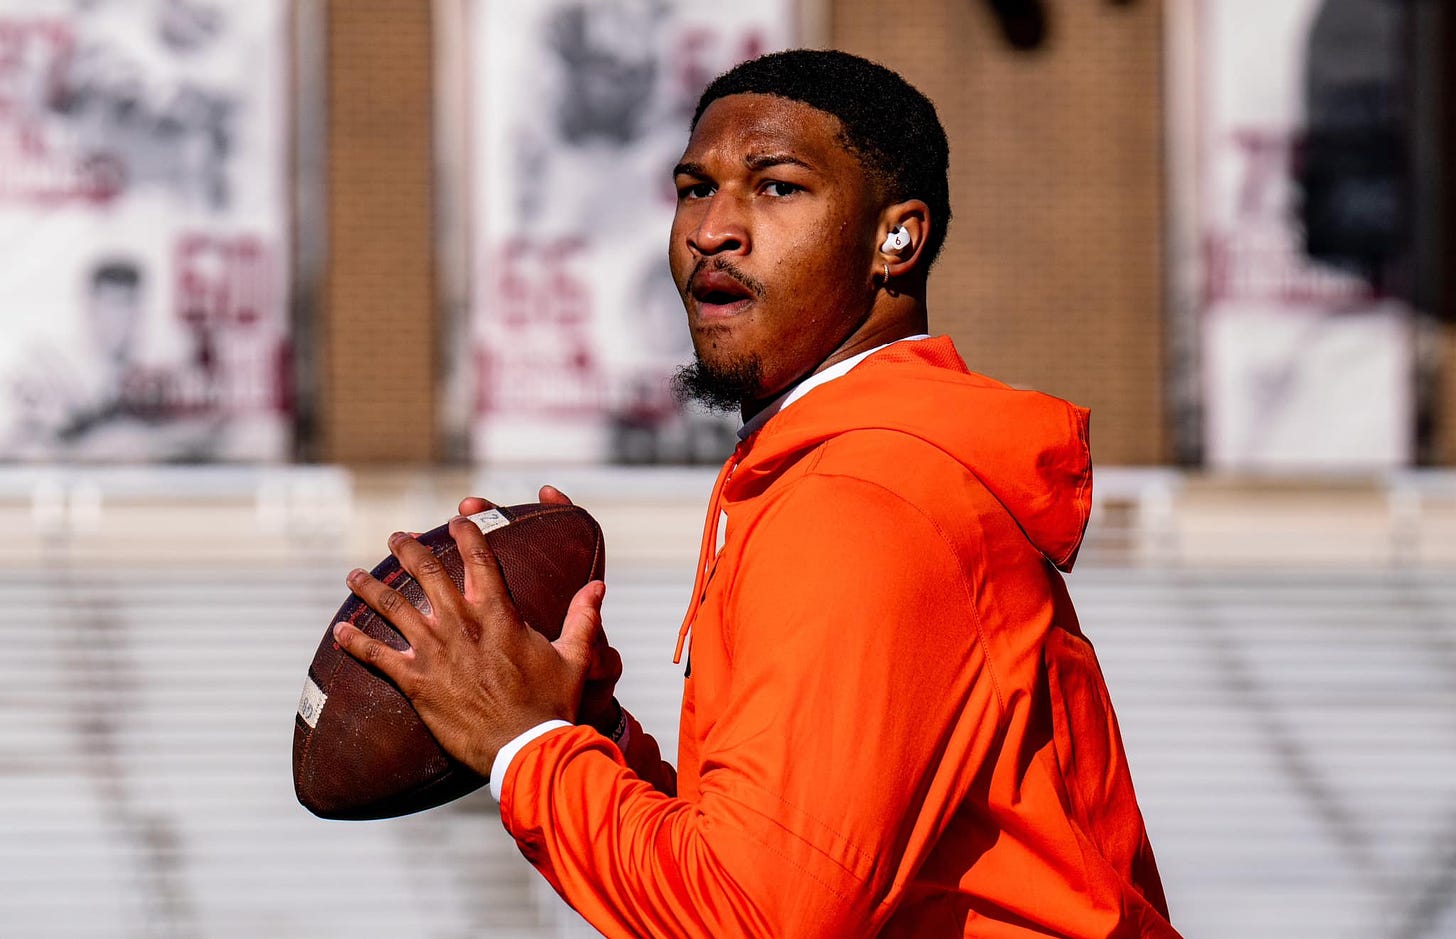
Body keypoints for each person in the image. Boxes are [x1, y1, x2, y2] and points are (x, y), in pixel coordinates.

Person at [334, 49, 1181, 938]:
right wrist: (588, 726)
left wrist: (525, 747)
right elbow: (752, 861)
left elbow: (752, 918)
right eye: (695, 188)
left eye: (776, 188)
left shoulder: (864, 499)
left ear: (897, 237)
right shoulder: (822, 471)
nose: (713, 229)